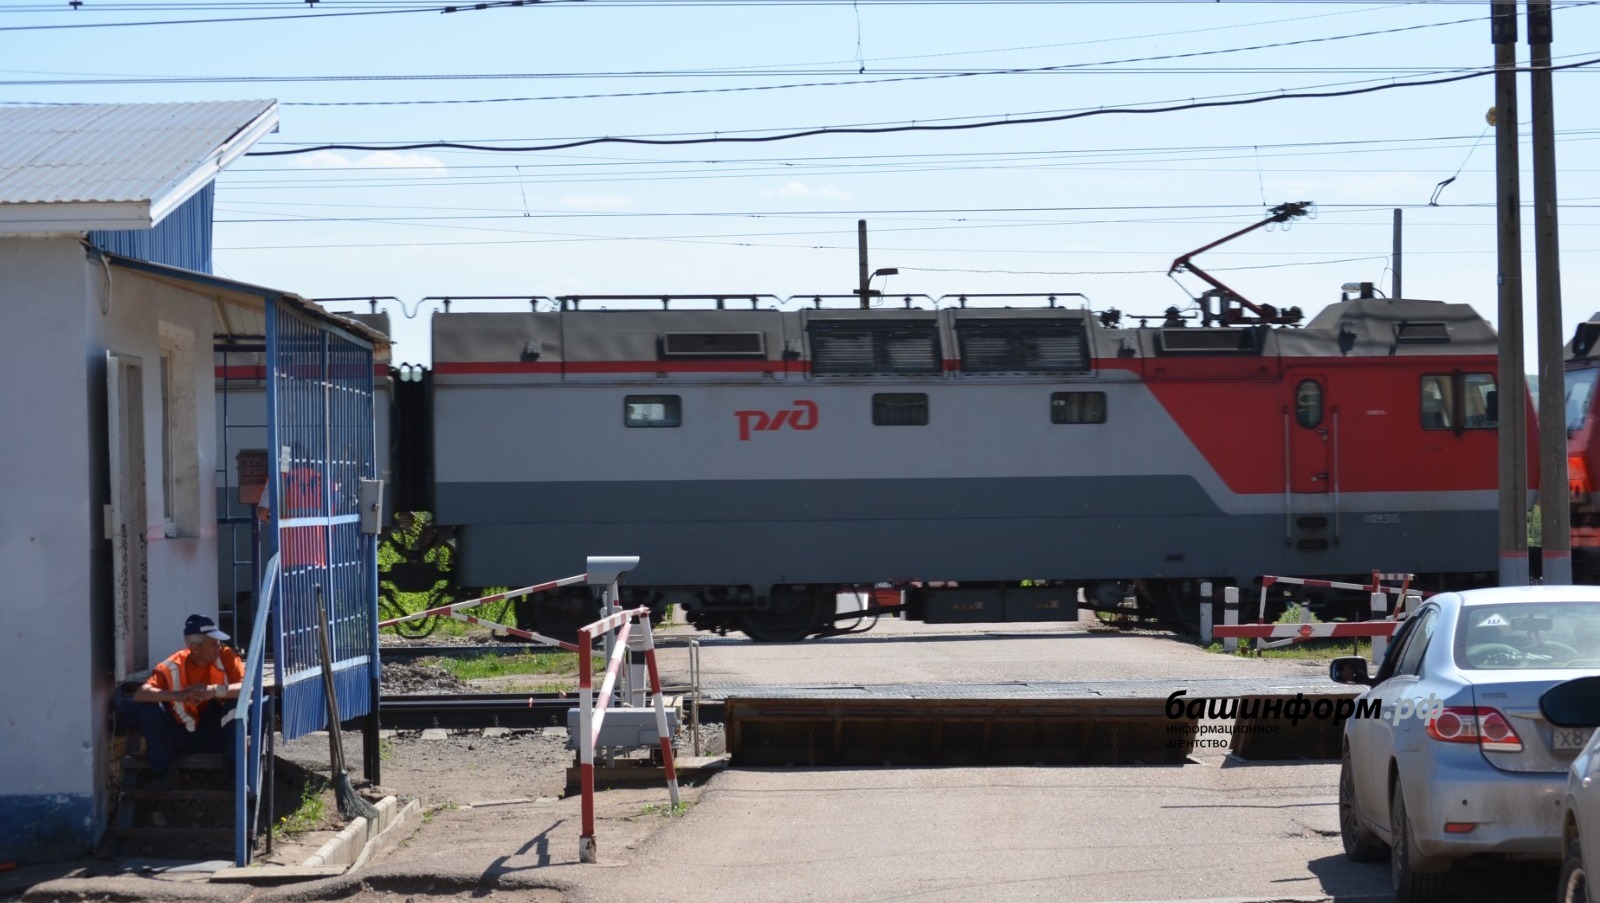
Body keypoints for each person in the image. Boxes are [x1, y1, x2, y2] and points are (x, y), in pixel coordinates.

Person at [122, 615, 245, 783]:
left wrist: (215, 691)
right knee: (148, 709)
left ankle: (236, 775)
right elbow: (140, 694)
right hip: (182, 735)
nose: (219, 647)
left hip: (216, 732)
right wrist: (178, 695)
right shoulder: (172, 665)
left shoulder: (226, 656)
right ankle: (164, 773)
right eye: (213, 643)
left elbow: (248, 689)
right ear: (195, 648)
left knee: (236, 706)